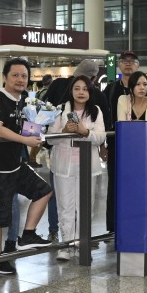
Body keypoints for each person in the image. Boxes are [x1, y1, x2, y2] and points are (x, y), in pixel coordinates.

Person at [0, 57, 53, 275]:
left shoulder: (24, 100)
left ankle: (28, 234)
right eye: (16, 75)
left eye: (24, 76)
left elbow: (25, 129)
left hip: (16, 164)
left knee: (44, 191)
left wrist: (37, 132)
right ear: (5, 77)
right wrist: (26, 141)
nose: (21, 79)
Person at [46, 75, 106, 261]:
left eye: (85, 89)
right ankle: (66, 244)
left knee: (85, 205)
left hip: (88, 165)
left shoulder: (96, 111)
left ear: (90, 92)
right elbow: (49, 138)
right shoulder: (60, 111)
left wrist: (84, 132)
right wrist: (64, 131)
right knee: (65, 206)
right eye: (77, 88)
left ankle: (82, 242)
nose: (81, 92)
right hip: (64, 165)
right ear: (71, 91)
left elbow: (101, 137)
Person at [104, 50, 139, 232]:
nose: (128, 64)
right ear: (119, 65)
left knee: (135, 184)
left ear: (137, 65)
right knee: (114, 185)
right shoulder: (111, 89)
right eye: (124, 61)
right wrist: (103, 144)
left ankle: (133, 221)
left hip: (138, 147)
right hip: (115, 144)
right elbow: (103, 117)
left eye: (132, 61)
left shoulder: (143, 88)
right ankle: (113, 226)